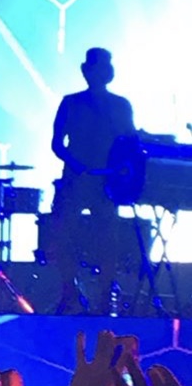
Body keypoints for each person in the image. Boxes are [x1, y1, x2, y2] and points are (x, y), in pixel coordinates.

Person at [49, 48, 135, 314]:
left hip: (105, 183)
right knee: (64, 235)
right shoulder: (70, 103)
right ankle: (69, 292)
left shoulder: (120, 105)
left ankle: (104, 296)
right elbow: (56, 143)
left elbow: (130, 141)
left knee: (108, 239)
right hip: (76, 181)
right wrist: (77, 165)